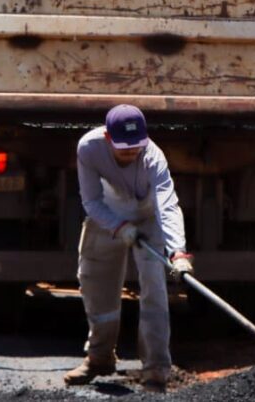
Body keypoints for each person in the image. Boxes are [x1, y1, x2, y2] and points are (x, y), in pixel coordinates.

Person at [65, 104, 193, 393]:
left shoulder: (154, 157)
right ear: (109, 138)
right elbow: (91, 201)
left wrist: (178, 252)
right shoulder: (89, 148)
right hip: (106, 215)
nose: (130, 153)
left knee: (154, 290)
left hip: (149, 218)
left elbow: (167, 204)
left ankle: (155, 374)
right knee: (95, 282)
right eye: (123, 148)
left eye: (136, 147)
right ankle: (99, 357)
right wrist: (119, 227)